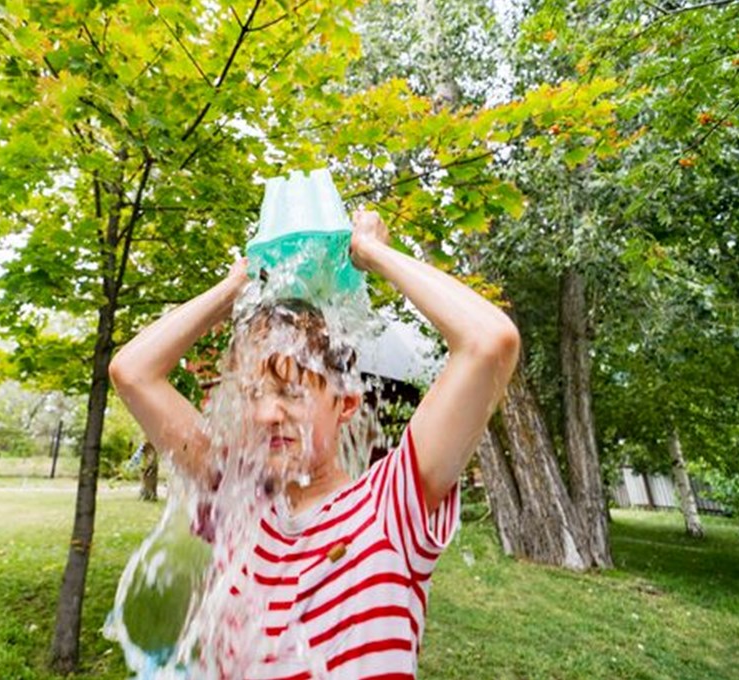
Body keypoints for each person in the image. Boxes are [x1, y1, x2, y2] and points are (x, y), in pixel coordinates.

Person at [109, 209, 520, 678]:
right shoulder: (238, 499)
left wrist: (372, 253)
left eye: (292, 392)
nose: (266, 415)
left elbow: (490, 341)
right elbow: (132, 372)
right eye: (251, 394)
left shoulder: (389, 507)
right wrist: (233, 289)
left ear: (344, 403)